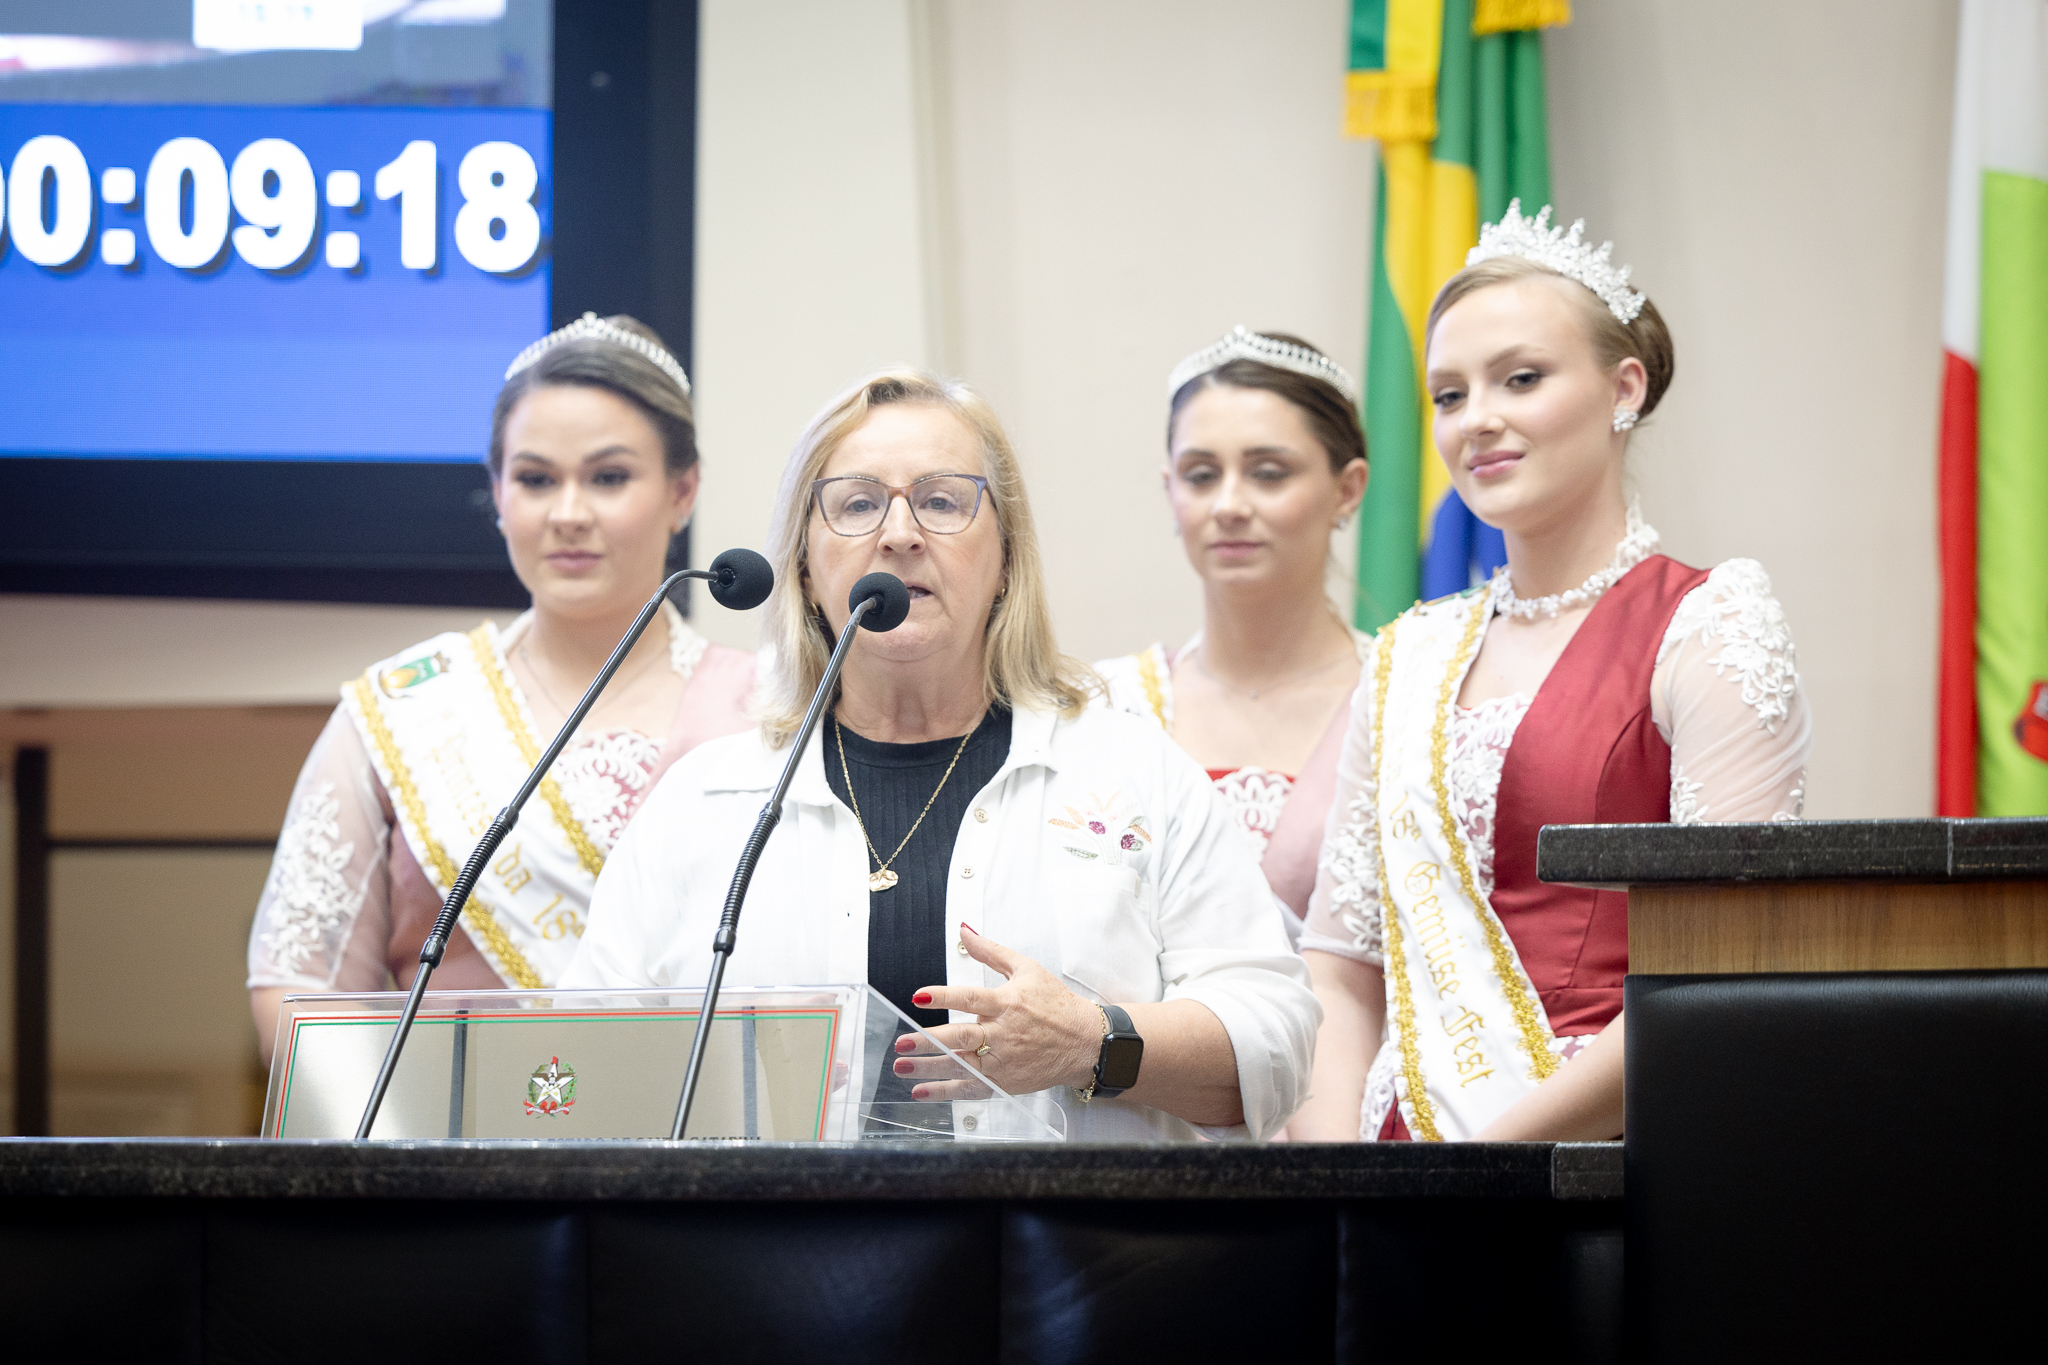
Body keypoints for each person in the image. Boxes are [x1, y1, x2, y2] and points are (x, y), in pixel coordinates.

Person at [561, 369, 1319, 1141]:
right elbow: (580, 1071)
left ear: (1006, 558)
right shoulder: (704, 803)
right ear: (804, 566)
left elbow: (1277, 1046)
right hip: (770, 1223)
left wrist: (1093, 1041)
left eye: (943, 501)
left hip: (1066, 1223)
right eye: (858, 503)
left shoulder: (1131, 771)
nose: (900, 533)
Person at [1290, 204, 1812, 1143]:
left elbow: (1723, 963)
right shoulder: (1409, 654)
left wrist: (1484, 1169)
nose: (1478, 419)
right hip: (1399, 1170)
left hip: (1611, 1164)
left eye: (1521, 378)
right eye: (1449, 395)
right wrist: (1337, 1180)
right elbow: (1342, 967)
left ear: (1623, 388)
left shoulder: (1707, 621)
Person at [245, 313, 757, 1065]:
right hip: (452, 1131)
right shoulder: (405, 711)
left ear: (684, 490)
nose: (569, 513)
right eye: (536, 479)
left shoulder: (768, 711)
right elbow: (301, 984)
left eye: (609, 477)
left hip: (699, 1125)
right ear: (497, 491)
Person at [1097, 328, 1370, 931]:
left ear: (1347, 489)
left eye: (1268, 473)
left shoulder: (1404, 699)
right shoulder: (1108, 706)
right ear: (1170, 490)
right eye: (1201, 475)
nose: (1228, 505)